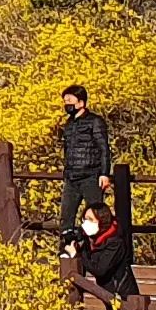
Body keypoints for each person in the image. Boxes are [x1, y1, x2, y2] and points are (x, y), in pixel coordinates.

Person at [54, 84, 114, 231]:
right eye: (65, 101)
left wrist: (104, 173)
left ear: (80, 102)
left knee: (95, 217)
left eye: (69, 100)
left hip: (90, 177)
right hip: (72, 178)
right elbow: (67, 149)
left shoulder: (95, 121)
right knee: (66, 218)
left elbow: (103, 148)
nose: (66, 104)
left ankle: (96, 249)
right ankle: (67, 250)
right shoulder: (69, 124)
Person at [68, 190, 137, 310]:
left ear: (102, 220)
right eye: (84, 219)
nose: (86, 223)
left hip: (122, 293)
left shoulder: (115, 242)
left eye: (91, 219)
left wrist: (78, 254)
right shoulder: (92, 239)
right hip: (108, 293)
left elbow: (100, 269)